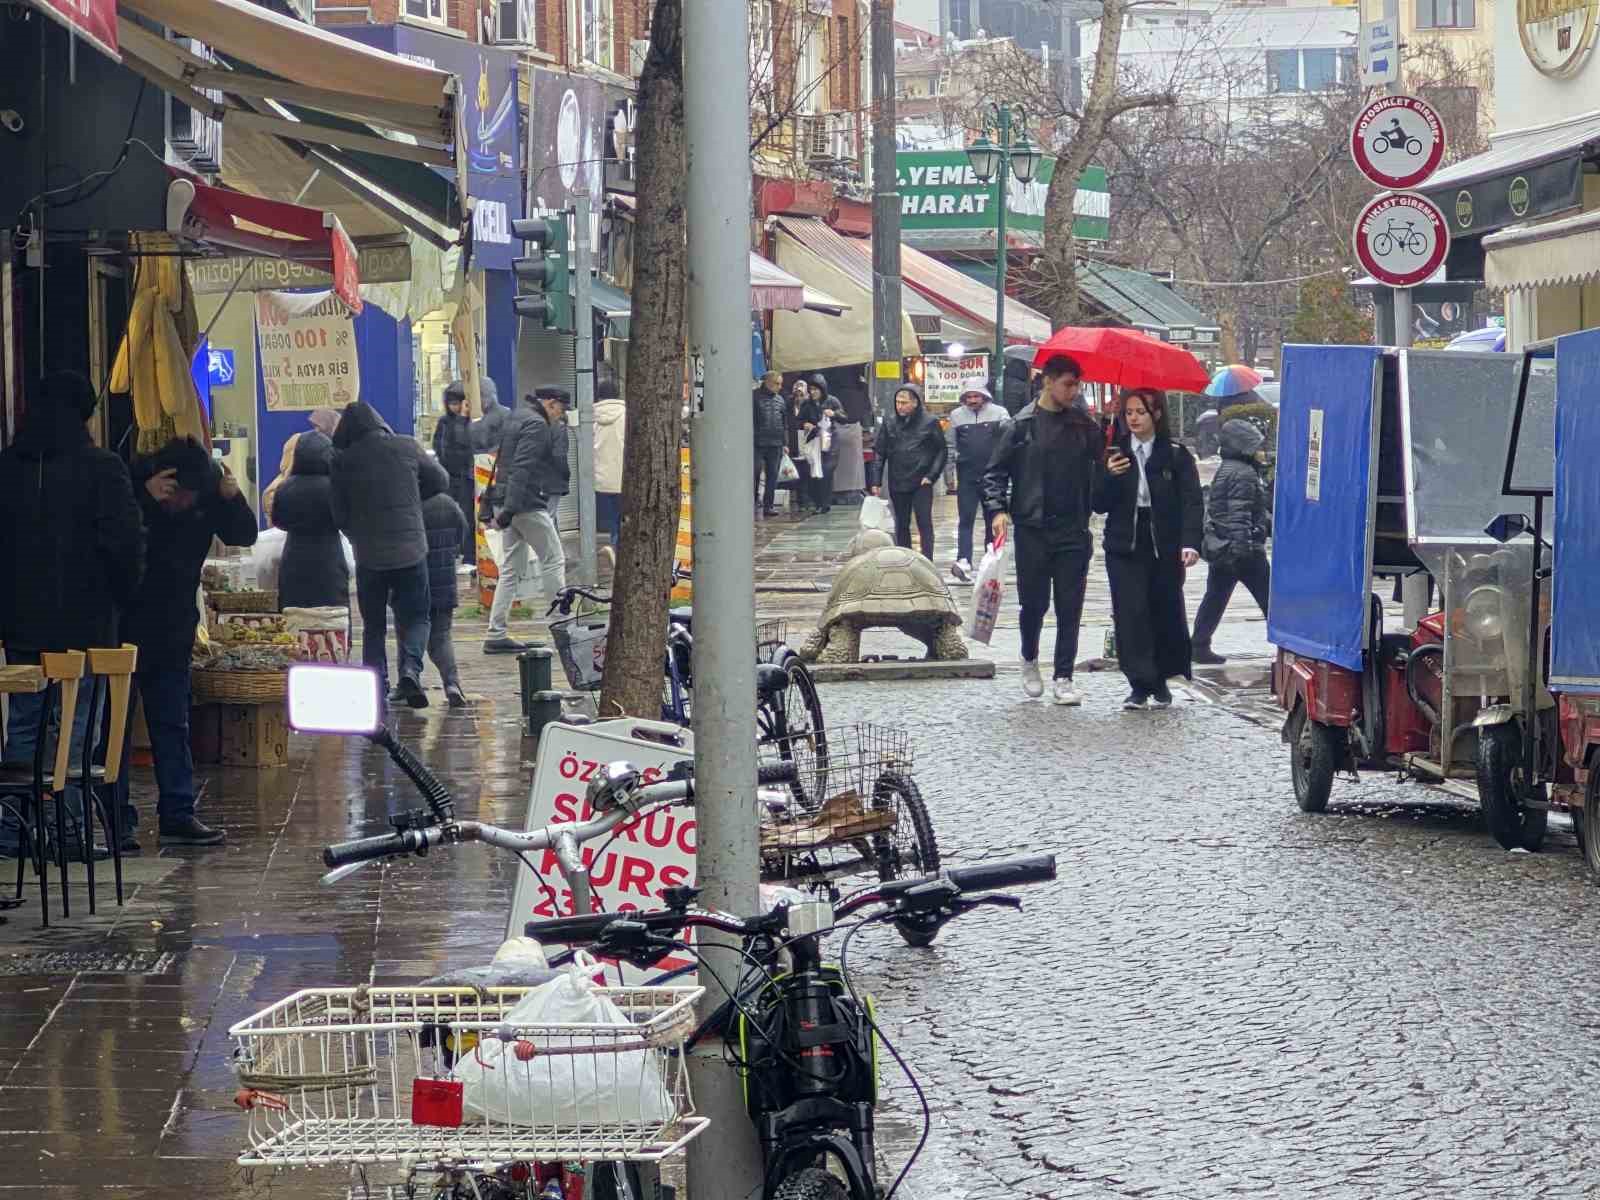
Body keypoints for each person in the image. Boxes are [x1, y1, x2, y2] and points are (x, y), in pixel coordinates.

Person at [0, 372, 144, 857]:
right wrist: (121, 597)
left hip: (20, 623)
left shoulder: (7, 468)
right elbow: (125, 546)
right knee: (79, 726)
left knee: (24, 723)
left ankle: (15, 830)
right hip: (86, 626)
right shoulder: (102, 469)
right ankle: (68, 830)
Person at [123, 439, 258, 846]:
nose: (184, 503)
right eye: (179, 493)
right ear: (162, 481)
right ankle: (116, 821)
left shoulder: (204, 500)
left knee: (172, 724)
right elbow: (112, 538)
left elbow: (243, 534)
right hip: (122, 629)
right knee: (112, 731)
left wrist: (231, 498)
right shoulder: (131, 493)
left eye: (192, 496)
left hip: (174, 628)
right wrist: (143, 498)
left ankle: (178, 814)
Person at [984, 355, 1102, 706]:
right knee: (1034, 604)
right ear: (1047, 381)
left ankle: (1064, 675)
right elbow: (994, 473)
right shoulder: (1020, 425)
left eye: (1077, 384)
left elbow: (1103, 461)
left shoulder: (1083, 423)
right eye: (1068, 383)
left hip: (1073, 527)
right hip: (1033, 526)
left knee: (1070, 605)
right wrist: (997, 510)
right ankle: (1029, 657)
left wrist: (1110, 441)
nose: (1074, 391)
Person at [330, 400, 449, 708]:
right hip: (411, 551)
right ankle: (410, 668)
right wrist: (412, 499)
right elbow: (440, 480)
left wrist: (357, 534)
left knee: (373, 626)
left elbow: (339, 514)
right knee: (418, 617)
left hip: (369, 555)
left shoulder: (343, 461)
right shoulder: (406, 446)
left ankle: (376, 686)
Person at [1095, 388, 1204, 710]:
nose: (1134, 418)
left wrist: (1190, 543)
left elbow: (1192, 502)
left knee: (1163, 610)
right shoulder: (1115, 453)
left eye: (1140, 412)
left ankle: (1162, 679)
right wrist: (1108, 476)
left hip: (1163, 543)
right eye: (1129, 412)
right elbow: (1097, 503)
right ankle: (1139, 683)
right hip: (1125, 543)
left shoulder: (1175, 455)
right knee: (1130, 614)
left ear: (1156, 415)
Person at [484, 387, 571, 654]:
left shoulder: (517, 417)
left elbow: (502, 462)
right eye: (561, 410)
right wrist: (510, 510)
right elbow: (522, 467)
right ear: (551, 404)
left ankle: (496, 633)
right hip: (525, 504)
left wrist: (501, 506)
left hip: (509, 500)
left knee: (510, 569)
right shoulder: (536, 425)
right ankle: (562, 628)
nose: (560, 416)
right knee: (554, 559)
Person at [1190, 419, 1271, 665]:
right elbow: (1239, 513)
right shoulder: (1244, 473)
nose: (1262, 451)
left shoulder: (1228, 468)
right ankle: (1289, 644)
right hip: (1242, 549)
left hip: (1223, 547)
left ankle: (1199, 645)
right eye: (1257, 446)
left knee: (1215, 598)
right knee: (1270, 599)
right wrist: (1244, 547)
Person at [271, 430, 349, 610]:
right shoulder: (337, 487)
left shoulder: (284, 488)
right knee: (332, 621)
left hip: (294, 560)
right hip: (330, 561)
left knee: (296, 621)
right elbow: (345, 520)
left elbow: (278, 521)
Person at [871, 384, 945, 560]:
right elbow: (880, 453)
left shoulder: (930, 422)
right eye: (897, 402)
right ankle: (904, 559)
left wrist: (931, 476)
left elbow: (941, 450)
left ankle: (927, 560)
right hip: (898, 479)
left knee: (924, 522)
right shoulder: (890, 423)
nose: (900, 406)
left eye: (904, 403)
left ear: (915, 403)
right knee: (901, 523)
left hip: (922, 481)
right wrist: (876, 481)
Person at [945, 378, 1008, 582]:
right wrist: (950, 475)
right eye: (969, 396)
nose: (972, 400)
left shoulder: (1000, 413)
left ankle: (993, 561)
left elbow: (1009, 442)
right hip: (967, 476)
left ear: (984, 396)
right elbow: (950, 447)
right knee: (966, 519)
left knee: (993, 520)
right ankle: (964, 560)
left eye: (976, 395)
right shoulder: (956, 416)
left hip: (993, 476)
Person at [420, 491, 469, 708]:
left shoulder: (411, 503)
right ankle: (452, 684)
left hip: (416, 579)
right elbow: (463, 532)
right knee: (441, 636)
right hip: (445, 580)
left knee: (409, 632)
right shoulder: (449, 503)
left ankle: (407, 681)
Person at [433, 382, 477, 565]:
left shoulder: (472, 421)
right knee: (450, 516)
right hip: (450, 476)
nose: (456, 407)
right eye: (452, 403)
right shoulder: (445, 422)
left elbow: (467, 445)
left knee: (468, 516)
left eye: (459, 402)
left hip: (466, 476)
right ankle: (454, 551)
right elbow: (441, 448)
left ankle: (468, 555)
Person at [593, 363, 626, 560]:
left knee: (614, 516)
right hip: (624, 476)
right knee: (626, 517)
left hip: (603, 480)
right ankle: (618, 550)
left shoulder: (592, 417)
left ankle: (615, 545)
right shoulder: (626, 415)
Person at [752, 370, 788, 517]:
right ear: (767, 382)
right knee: (754, 474)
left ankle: (769, 505)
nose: (779, 387)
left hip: (776, 443)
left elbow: (784, 422)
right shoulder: (754, 397)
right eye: (777, 383)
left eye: (780, 384)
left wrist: (785, 443)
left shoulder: (780, 400)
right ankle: (753, 503)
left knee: (772, 476)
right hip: (758, 443)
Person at [786, 378, 820, 513]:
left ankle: (808, 499)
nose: (798, 397)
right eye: (796, 394)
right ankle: (801, 500)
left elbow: (815, 421)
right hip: (794, 440)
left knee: (807, 470)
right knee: (797, 471)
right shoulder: (788, 405)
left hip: (807, 441)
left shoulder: (809, 405)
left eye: (801, 394)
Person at [807, 374, 839, 514]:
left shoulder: (832, 401)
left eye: (816, 389)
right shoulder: (807, 404)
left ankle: (825, 503)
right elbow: (798, 419)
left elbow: (844, 416)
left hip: (830, 442)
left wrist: (834, 414)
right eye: (811, 389)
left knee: (826, 471)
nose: (813, 392)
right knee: (815, 473)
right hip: (814, 442)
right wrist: (805, 424)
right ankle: (819, 503)